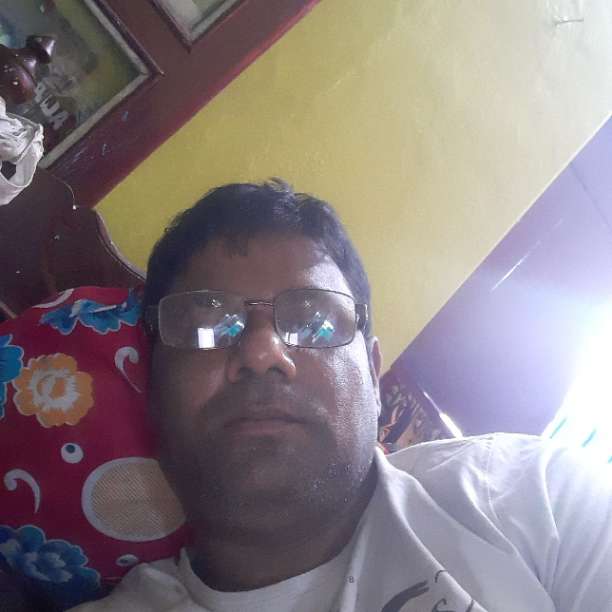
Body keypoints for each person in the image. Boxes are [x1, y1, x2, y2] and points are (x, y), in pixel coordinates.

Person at [71, 180, 612, 611]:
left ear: (373, 376)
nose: (261, 352)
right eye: (206, 326)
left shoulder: (536, 498)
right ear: (154, 392)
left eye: (315, 322)